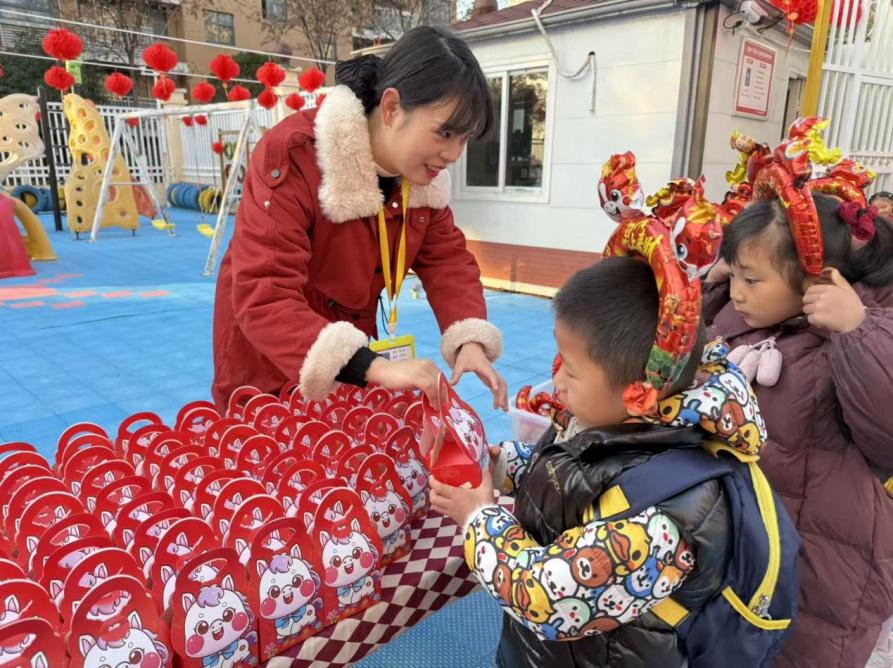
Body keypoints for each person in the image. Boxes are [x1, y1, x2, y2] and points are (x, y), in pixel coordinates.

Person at [431, 256, 798, 667]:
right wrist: (505, 467)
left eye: (571, 371)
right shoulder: (616, 421)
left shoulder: (664, 519)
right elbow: (577, 474)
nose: (557, 382)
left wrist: (478, 519)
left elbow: (546, 598)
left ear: (638, 392)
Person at [212, 26, 507, 411]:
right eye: (445, 132)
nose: (453, 154)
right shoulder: (296, 155)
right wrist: (374, 367)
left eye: (464, 138)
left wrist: (469, 340)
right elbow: (264, 291)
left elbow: (447, 260)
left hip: (349, 355)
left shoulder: (421, 180)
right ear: (391, 108)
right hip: (268, 361)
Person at [703, 192, 893, 668]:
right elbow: (690, 348)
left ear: (815, 277)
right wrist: (711, 286)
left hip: (822, 568)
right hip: (746, 550)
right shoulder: (744, 316)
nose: (738, 291)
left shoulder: (864, 331)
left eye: (751, 279)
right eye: (734, 274)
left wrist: (856, 331)